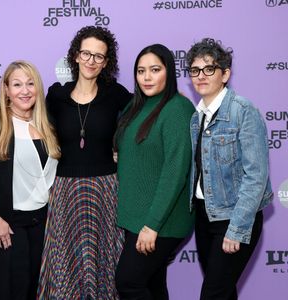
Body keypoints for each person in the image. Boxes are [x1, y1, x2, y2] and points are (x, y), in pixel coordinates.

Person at [37, 26, 131, 299]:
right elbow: (34, 128)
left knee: (104, 265)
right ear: (75, 56)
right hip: (64, 192)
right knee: (66, 266)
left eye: (99, 56)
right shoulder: (56, 96)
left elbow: (148, 112)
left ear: (106, 62)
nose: (91, 61)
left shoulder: (116, 94)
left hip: (105, 191)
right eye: (86, 53)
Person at [186, 38, 273, 300]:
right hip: (204, 217)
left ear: (225, 74)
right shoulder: (196, 117)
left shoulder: (243, 111)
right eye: (195, 70)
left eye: (209, 69)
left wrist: (236, 229)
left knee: (213, 294)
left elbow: (256, 176)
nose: (201, 76)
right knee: (224, 292)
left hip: (234, 218)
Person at [0, 60, 60, 300]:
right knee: (5, 290)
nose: (25, 91)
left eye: (30, 84)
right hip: (5, 224)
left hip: (40, 224)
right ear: (6, 89)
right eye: (17, 84)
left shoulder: (46, 124)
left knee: (32, 289)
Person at [114, 44, 195, 299]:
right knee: (153, 285)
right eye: (140, 71)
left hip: (159, 221)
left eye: (155, 69)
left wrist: (152, 225)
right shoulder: (135, 107)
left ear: (168, 72)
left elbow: (175, 171)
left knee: (129, 283)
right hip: (135, 216)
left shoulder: (178, 109)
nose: (146, 77)